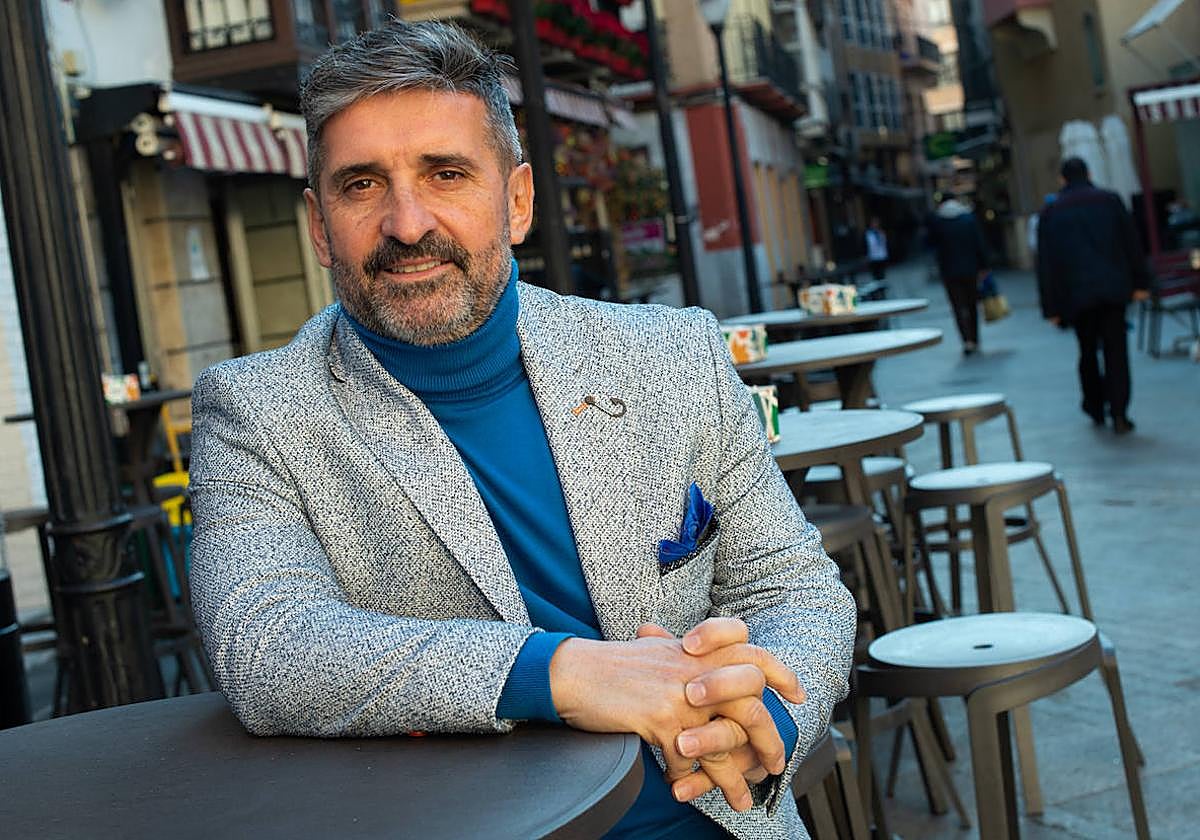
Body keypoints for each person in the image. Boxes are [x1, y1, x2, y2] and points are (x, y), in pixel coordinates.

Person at [187, 21, 855, 839]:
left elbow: (793, 588)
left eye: (446, 174)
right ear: (320, 225)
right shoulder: (256, 411)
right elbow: (264, 645)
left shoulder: (672, 354)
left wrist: (765, 725)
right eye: (362, 185)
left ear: (518, 200)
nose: (407, 223)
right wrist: (567, 674)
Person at [1037, 157, 1151, 435]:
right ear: (1089, 174)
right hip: (1113, 288)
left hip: (1076, 294)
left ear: (1062, 179)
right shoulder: (1109, 201)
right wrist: (1141, 282)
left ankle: (1096, 406)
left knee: (1087, 350)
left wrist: (1051, 307)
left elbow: (1046, 263)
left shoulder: (1052, 211)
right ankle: (1120, 412)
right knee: (1116, 351)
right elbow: (1131, 244)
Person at [927, 193, 989, 354]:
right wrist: (984, 266)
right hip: (970, 269)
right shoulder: (968, 218)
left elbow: (930, 244)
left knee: (957, 307)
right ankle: (975, 338)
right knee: (972, 304)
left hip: (949, 271)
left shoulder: (938, 222)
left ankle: (966, 340)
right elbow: (979, 243)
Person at [865, 216, 889, 281]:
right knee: (875, 273)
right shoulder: (868, 234)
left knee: (882, 273)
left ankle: (882, 284)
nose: (875, 224)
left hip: (881, 255)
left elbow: (884, 243)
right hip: (873, 257)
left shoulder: (881, 232)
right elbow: (866, 245)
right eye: (874, 223)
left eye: (876, 223)